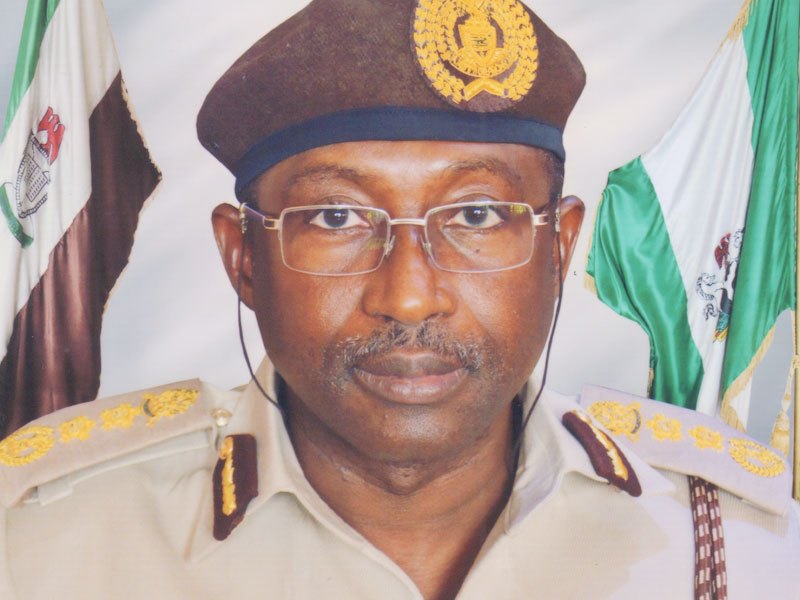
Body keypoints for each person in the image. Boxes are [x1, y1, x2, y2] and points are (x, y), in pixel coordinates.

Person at [0, 1, 797, 598]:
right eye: (336, 218)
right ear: (243, 259)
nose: (410, 298)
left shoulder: (743, 548)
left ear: (559, 249)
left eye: (477, 216)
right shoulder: (43, 547)